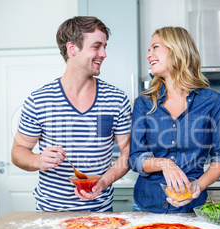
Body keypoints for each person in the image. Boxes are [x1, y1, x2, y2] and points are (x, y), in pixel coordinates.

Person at [11, 16, 131, 212]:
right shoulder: (40, 100)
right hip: (50, 214)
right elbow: (17, 152)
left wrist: (102, 183)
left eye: (105, 46)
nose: (104, 54)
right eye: (97, 46)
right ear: (72, 48)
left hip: (100, 214)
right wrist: (37, 160)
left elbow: (127, 153)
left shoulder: (116, 99)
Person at [128, 26, 220, 213]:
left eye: (155, 47)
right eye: (148, 49)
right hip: (147, 206)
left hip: (193, 208)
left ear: (177, 49)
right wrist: (164, 163)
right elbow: (135, 159)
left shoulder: (213, 102)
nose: (148, 55)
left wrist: (196, 188)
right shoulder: (144, 103)